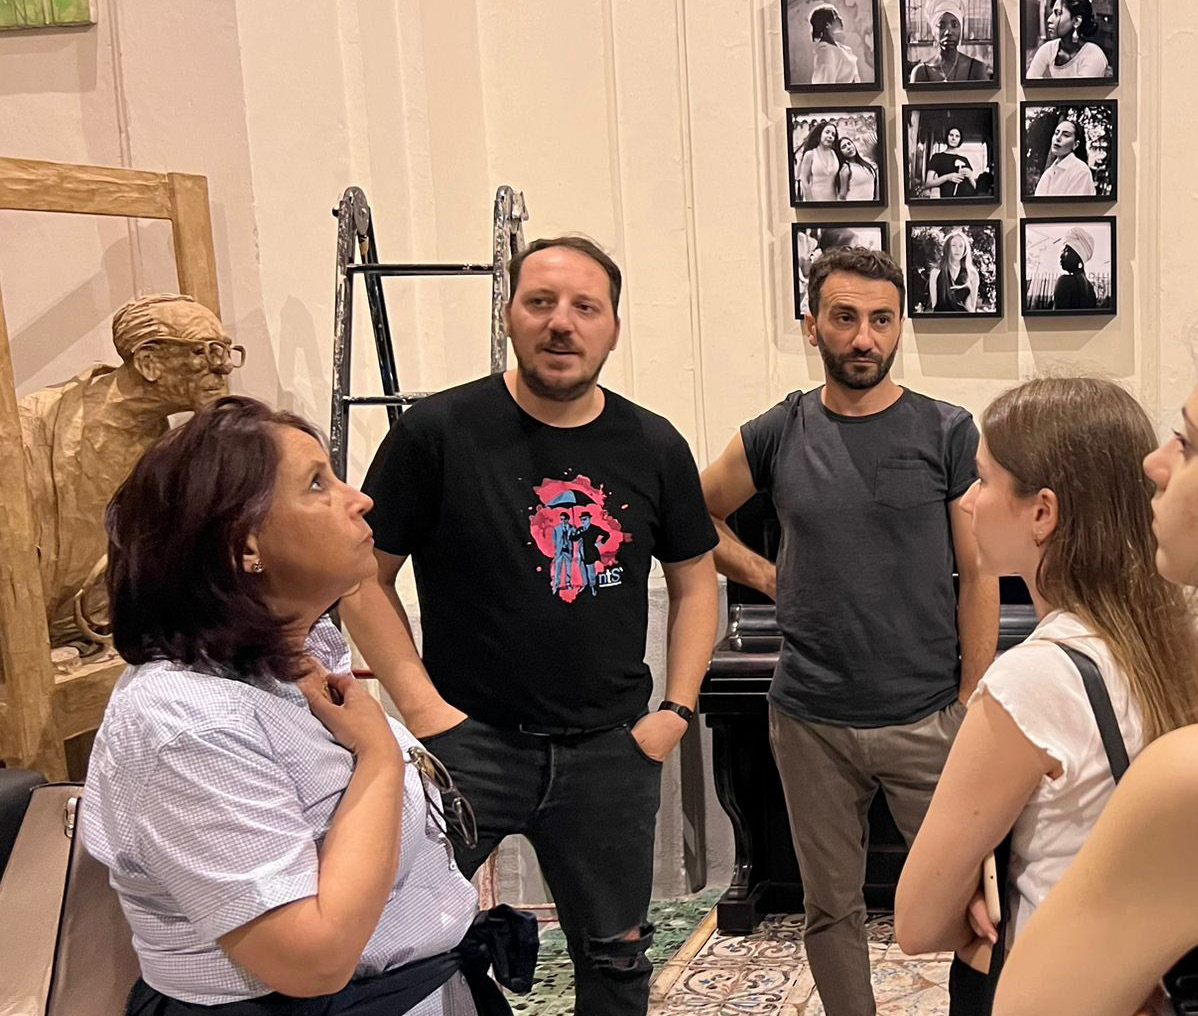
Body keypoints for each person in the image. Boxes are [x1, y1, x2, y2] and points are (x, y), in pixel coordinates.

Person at [341, 235, 719, 1016]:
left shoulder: (653, 444)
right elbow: (362, 575)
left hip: (611, 751)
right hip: (466, 748)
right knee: (397, 951)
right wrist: (423, 711)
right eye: (540, 302)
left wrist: (676, 712)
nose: (561, 323)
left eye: (586, 307)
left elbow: (694, 581)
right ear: (509, 315)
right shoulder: (435, 432)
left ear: (613, 328)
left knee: (617, 960)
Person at [81, 396, 530, 1016]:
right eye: (318, 484)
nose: (360, 499)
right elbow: (311, 960)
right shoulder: (186, 723)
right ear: (242, 544)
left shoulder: (299, 650)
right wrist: (378, 757)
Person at [699, 246, 999, 1016]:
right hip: (810, 721)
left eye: (881, 320)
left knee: (975, 904)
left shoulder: (946, 431)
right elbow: (697, 515)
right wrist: (771, 577)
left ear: (899, 326)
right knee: (830, 909)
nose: (865, 337)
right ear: (812, 326)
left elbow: (980, 574)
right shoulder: (778, 431)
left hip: (926, 716)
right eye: (845, 318)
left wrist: (970, 698)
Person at [894, 377, 1198, 1010]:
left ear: (1042, 512)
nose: (968, 501)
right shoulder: (1172, 639)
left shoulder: (1033, 680)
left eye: (983, 479)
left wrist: (975, 904)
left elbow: (917, 922)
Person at [989, 383, 1198, 1016]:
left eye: (1188, 444)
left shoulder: (1181, 773)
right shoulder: (1167, 638)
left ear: (1043, 512)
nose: (1154, 463)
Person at [18, 293, 243, 648]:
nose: (224, 366)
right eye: (204, 352)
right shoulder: (32, 426)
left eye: (226, 350)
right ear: (148, 361)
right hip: (29, 644)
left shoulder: (166, 451)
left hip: (113, 637)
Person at [1027, 0, 1110, 80]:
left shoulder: (1093, 55)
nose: (1049, 19)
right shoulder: (1047, 49)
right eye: (1052, 13)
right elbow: (1030, 82)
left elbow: (1081, 89)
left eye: (1058, 13)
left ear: (1076, 21)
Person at [910, 0, 989, 83]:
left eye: (954, 25)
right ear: (933, 32)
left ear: (961, 30)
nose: (948, 32)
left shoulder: (976, 68)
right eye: (941, 25)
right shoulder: (921, 72)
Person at [1034, 118, 1096, 197]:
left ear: (1075, 144)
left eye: (1066, 135)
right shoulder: (1048, 173)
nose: (1058, 138)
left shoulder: (1081, 171)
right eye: (1056, 133)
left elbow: (1074, 204)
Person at [928, 230, 981, 313]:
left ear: (965, 249)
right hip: (942, 319)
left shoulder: (972, 274)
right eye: (953, 245)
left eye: (961, 246)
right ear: (947, 248)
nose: (957, 249)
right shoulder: (935, 272)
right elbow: (934, 305)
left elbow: (971, 308)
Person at [808, 4, 861, 84]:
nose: (840, 18)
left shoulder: (841, 48)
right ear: (827, 25)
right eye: (836, 16)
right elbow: (824, 85)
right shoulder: (825, 51)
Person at [925, 127, 978, 199]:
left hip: (968, 199)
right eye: (951, 135)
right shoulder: (937, 157)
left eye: (957, 136)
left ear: (960, 140)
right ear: (947, 137)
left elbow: (975, 187)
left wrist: (970, 177)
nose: (953, 138)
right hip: (949, 200)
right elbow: (928, 184)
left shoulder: (964, 159)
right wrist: (947, 177)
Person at [1053, 227, 1098, 310]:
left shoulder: (1065, 282)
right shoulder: (1090, 289)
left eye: (1066, 251)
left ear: (1079, 257)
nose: (1061, 255)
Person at [798, 120, 842, 202]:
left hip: (833, 200)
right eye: (827, 132)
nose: (830, 136)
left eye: (833, 134)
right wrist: (810, 201)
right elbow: (804, 180)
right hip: (814, 200)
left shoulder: (836, 154)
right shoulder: (810, 154)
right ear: (820, 134)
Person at [836, 135, 880, 202]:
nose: (848, 147)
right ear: (840, 152)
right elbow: (842, 196)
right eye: (844, 147)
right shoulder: (846, 169)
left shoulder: (867, 165)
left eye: (849, 144)